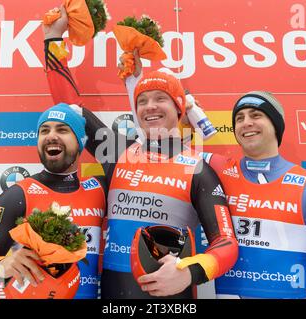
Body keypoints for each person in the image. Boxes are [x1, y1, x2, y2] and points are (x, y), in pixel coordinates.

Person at [43, 7, 238, 299]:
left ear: (179, 108)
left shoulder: (198, 167)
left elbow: (225, 243)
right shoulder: (117, 151)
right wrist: (53, 38)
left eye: (161, 98)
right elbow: (70, 110)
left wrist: (189, 271)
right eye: (143, 100)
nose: (150, 106)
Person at [200, 91, 306, 299]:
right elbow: (165, 153)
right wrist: (180, 105)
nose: (246, 123)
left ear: (276, 124)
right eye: (239, 118)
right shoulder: (215, 170)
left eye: (255, 115)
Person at [0, 103, 107, 299]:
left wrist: (86, 115)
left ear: (80, 141)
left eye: (63, 129)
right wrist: (0, 266)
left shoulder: (99, 190)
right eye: (44, 130)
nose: (51, 135)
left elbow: (130, 159)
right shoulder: (18, 195)